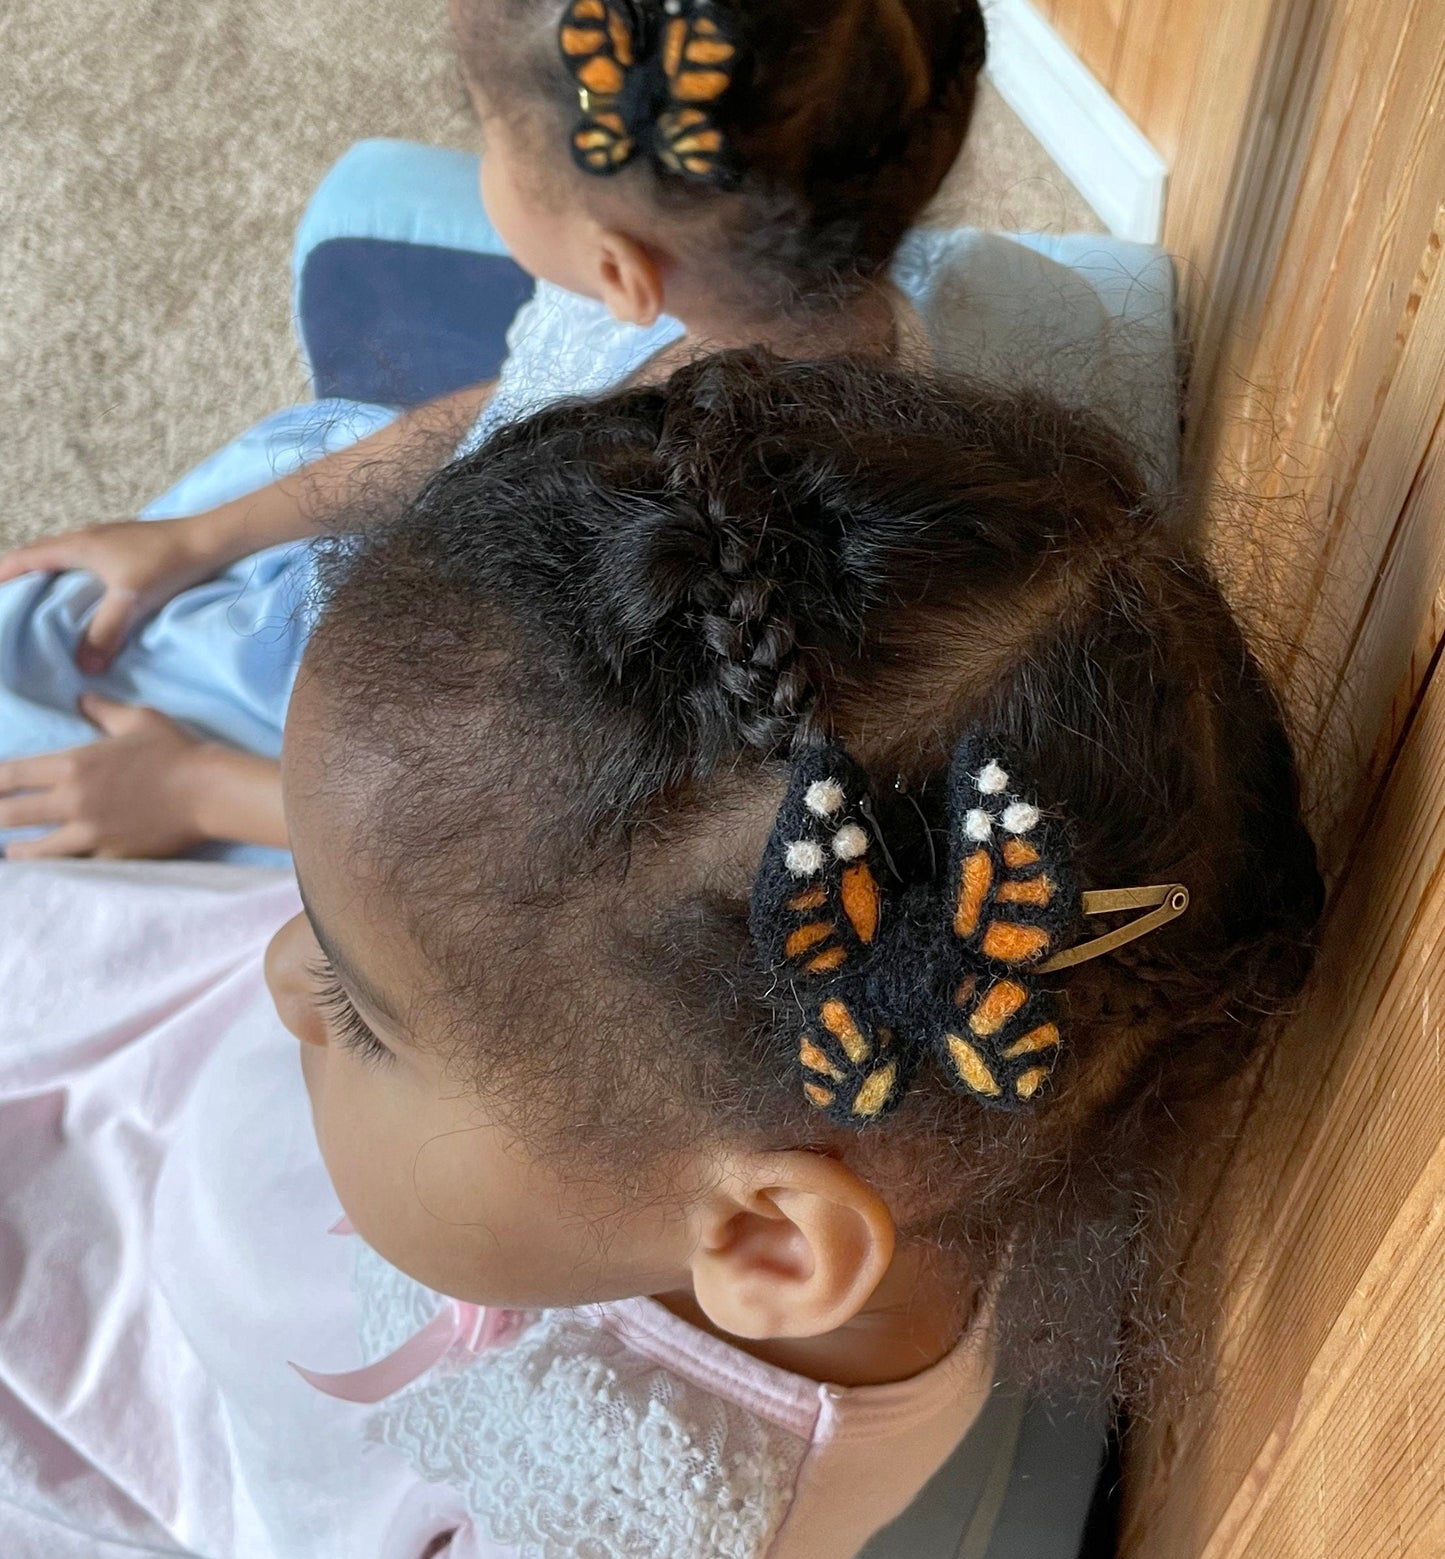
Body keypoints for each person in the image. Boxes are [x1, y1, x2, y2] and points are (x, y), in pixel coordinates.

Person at [0, 355, 1323, 1555]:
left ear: (766, 1237)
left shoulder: (639, 1507)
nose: (285, 970)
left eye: (363, 1006)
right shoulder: (687, 1107)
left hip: (204, 1427)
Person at [0, 0, 1002, 859]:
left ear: (621, 270)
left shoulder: (657, 578)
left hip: (375, 792)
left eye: (481, 122)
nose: (472, 148)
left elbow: (514, 847)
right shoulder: (740, 311)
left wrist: (189, 789)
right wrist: (202, 535)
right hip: (407, 571)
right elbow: (512, 405)